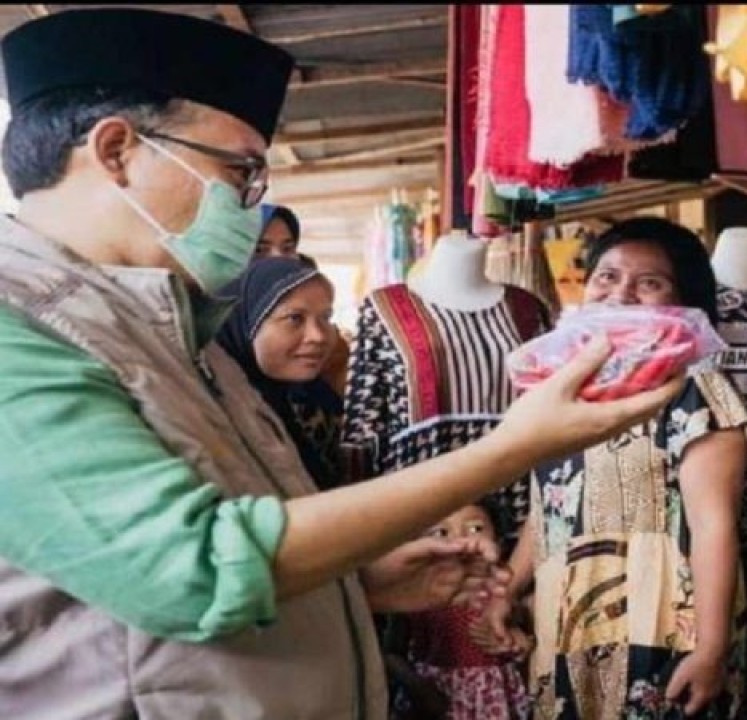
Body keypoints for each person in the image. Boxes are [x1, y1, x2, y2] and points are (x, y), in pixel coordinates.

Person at [0, 9, 685, 719]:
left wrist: (351, 585)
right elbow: (190, 570)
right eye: (239, 171)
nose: (249, 204)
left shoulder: (179, 333)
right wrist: (513, 448)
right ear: (117, 151)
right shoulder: (17, 327)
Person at [488, 217, 747, 719]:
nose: (621, 293)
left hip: (662, 624)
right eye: (607, 276)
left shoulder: (695, 388)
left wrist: (711, 649)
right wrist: (509, 587)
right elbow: (553, 505)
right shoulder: (563, 387)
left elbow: (714, 524)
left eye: (649, 283)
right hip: (567, 618)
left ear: (685, 301)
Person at [216, 256, 347, 491]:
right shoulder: (223, 415)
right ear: (246, 323)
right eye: (295, 318)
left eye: (325, 317)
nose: (318, 335)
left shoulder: (316, 398)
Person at [406, 500, 533, 720]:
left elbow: (525, 643)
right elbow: (394, 651)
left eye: (475, 529)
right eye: (441, 532)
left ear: (498, 541)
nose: (460, 540)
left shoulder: (504, 589)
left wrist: (516, 642)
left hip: (494, 702)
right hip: (435, 700)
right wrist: (418, 686)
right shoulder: (418, 595)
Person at [253, 201, 351, 395]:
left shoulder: (330, 348)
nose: (278, 258)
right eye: (259, 250)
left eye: (288, 248)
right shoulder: (211, 349)